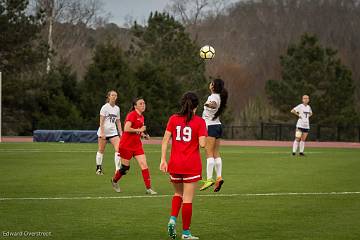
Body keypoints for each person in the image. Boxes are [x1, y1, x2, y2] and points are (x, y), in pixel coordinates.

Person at [160, 92, 207, 240]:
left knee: (178, 194)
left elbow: (165, 140)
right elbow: (203, 144)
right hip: (191, 165)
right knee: (187, 199)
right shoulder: (200, 122)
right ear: (196, 106)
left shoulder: (173, 119)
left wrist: (163, 160)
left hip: (174, 164)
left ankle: (172, 219)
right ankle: (186, 233)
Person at [111, 97, 157, 194]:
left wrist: (144, 135)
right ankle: (114, 181)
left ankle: (149, 188)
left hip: (137, 146)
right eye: (140, 103)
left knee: (144, 164)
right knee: (125, 169)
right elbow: (126, 128)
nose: (143, 105)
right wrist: (140, 130)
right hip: (126, 145)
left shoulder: (142, 117)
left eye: (144, 103)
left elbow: (137, 131)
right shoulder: (132, 115)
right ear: (135, 106)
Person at [200, 79, 228, 192]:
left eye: (211, 83)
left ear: (213, 86)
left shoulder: (213, 97)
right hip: (217, 125)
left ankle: (209, 179)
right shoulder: (220, 96)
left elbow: (213, 104)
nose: (209, 84)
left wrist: (208, 104)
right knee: (216, 153)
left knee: (209, 153)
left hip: (210, 126)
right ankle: (219, 177)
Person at [96, 90, 123, 175]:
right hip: (103, 132)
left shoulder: (117, 108)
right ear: (108, 97)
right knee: (101, 150)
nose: (114, 97)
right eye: (112, 95)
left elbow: (118, 121)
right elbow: (101, 121)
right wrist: (103, 133)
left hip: (113, 133)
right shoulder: (105, 107)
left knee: (118, 149)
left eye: (115, 95)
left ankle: (117, 169)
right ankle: (98, 168)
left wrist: (121, 132)